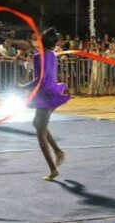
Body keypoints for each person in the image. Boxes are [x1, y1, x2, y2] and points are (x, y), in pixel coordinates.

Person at [22, 27, 70, 180]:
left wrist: (23, 87)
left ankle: (53, 169)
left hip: (44, 95)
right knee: (37, 124)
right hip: (53, 92)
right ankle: (58, 151)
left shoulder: (38, 57)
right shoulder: (52, 55)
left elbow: (40, 79)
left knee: (40, 134)